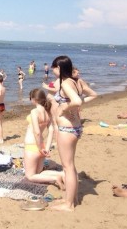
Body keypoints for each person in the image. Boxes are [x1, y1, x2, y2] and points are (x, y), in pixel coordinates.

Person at [49, 55, 97, 212]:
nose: (52, 70)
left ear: (59, 68)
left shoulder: (66, 84)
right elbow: (92, 95)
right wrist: (73, 104)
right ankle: (72, 198)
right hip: (74, 128)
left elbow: (76, 101)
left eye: (54, 67)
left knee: (67, 167)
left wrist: (65, 107)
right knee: (70, 166)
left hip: (67, 130)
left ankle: (69, 205)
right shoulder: (76, 81)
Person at [24, 88, 64, 188]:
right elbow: (51, 130)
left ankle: (55, 178)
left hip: (32, 146)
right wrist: (46, 148)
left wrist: (39, 148)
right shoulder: (48, 112)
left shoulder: (34, 112)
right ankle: (62, 174)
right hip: (42, 146)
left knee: (30, 176)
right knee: (38, 173)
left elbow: (37, 132)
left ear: (34, 99)